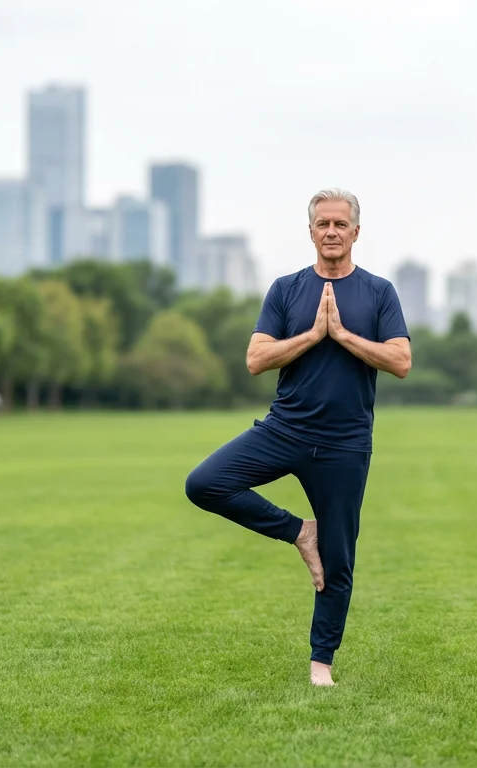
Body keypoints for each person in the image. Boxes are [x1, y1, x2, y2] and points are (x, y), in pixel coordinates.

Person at [184, 188, 411, 687]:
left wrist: (344, 336)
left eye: (340, 224)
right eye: (322, 223)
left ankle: (320, 664)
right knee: (204, 483)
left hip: (345, 443)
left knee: (340, 558)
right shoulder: (286, 290)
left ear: (356, 232)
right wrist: (312, 335)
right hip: (285, 428)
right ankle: (298, 531)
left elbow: (400, 362)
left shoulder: (378, 292)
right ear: (310, 231)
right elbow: (255, 359)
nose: (331, 231)